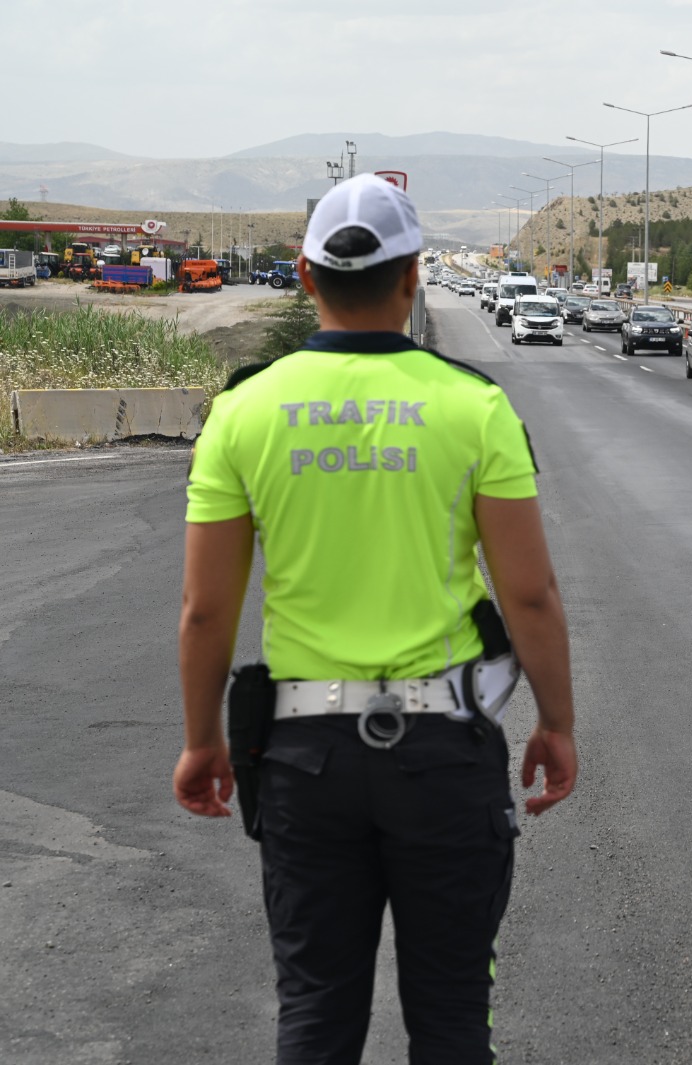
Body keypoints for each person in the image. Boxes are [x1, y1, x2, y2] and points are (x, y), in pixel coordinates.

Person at [172, 173, 577, 1065]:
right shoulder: (475, 408)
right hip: (443, 755)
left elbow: (207, 609)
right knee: (451, 1017)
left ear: (308, 278)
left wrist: (202, 740)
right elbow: (532, 595)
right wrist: (556, 721)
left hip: (304, 761)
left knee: (315, 1015)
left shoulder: (243, 411)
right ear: (413, 278)